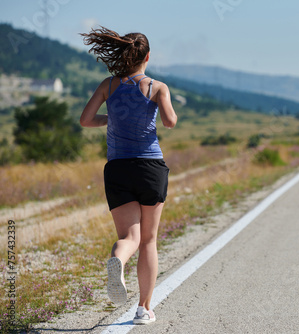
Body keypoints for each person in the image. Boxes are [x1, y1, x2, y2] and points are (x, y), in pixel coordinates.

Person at [80, 27, 177, 325]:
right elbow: (170, 121)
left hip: (118, 168)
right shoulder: (156, 87)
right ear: (147, 56)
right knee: (148, 240)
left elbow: (85, 120)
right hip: (149, 168)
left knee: (128, 237)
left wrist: (114, 118)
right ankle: (143, 309)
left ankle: (118, 262)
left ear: (123, 54)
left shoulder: (108, 85)